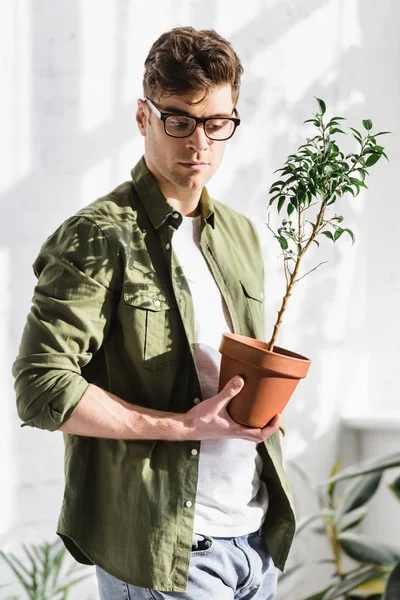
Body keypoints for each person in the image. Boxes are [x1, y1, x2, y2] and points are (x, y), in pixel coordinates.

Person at [13, 26, 295, 600]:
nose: (199, 144)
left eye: (217, 124)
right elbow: (42, 388)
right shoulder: (97, 236)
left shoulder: (239, 235)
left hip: (255, 542)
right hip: (169, 550)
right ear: (143, 117)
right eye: (180, 122)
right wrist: (182, 427)